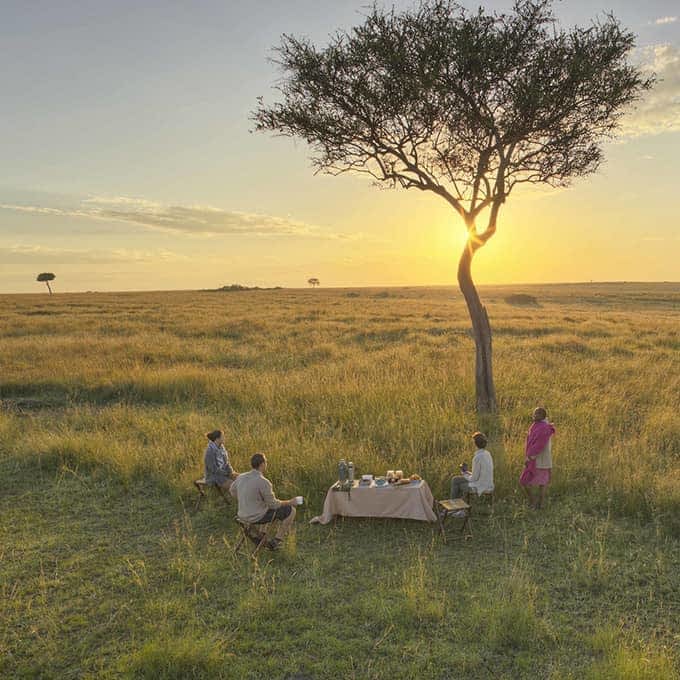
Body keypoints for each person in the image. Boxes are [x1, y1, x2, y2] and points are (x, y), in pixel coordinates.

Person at [229, 453, 298, 550]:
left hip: (241, 515)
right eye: (266, 462)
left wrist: (245, 500)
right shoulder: (263, 481)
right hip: (255, 517)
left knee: (264, 506)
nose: (266, 464)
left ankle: (260, 535)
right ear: (262, 465)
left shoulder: (241, 477)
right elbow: (274, 505)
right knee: (291, 511)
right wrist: (290, 502)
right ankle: (277, 541)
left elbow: (232, 490)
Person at [519, 407, 555, 509]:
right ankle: (536, 502)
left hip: (538, 459)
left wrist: (530, 456)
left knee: (528, 481)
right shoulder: (538, 425)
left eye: (536, 414)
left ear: (542, 416)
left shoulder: (544, 427)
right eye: (533, 414)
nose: (533, 416)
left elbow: (539, 445)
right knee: (538, 482)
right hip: (540, 459)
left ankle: (537, 502)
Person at [450, 432, 494, 501]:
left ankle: (455, 507)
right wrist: (467, 472)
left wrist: (464, 473)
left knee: (458, 484)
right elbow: (479, 474)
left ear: (475, 444)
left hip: (480, 486)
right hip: (488, 484)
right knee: (455, 479)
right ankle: (457, 507)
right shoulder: (488, 454)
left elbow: (474, 478)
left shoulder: (477, 457)